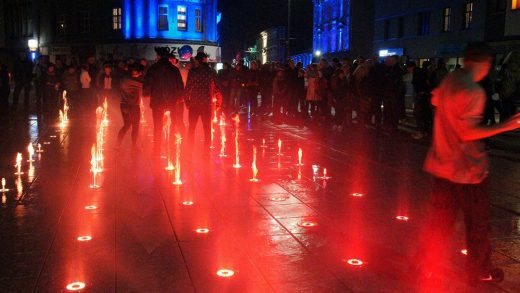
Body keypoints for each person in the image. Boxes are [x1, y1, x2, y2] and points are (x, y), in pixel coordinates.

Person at [419, 42, 520, 285]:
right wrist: (506, 125)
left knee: (439, 224)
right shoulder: (473, 91)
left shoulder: (451, 79)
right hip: (467, 171)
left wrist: (450, 116)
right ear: (483, 63)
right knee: (477, 225)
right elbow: (467, 133)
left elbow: (434, 101)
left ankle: (425, 267)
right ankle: (480, 271)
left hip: (442, 165)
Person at [143, 47, 185, 157]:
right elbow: (180, 86)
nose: (155, 58)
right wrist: (179, 98)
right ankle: (170, 147)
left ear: (159, 56)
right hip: (172, 102)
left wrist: (146, 93)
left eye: (156, 56)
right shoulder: (174, 70)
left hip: (157, 102)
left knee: (158, 126)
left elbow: (147, 84)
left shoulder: (153, 68)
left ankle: (156, 150)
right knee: (172, 125)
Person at [185, 52, 221, 149]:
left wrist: (187, 102)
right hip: (206, 103)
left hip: (194, 103)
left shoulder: (192, 72)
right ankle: (207, 149)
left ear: (198, 60)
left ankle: (189, 147)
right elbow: (217, 88)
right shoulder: (211, 72)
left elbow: (188, 88)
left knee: (192, 127)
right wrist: (218, 102)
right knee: (207, 128)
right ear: (204, 60)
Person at [117, 64, 143, 149]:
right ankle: (134, 146)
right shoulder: (134, 81)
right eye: (138, 73)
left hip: (123, 105)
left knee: (126, 125)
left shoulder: (123, 79)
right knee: (135, 126)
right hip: (133, 106)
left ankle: (117, 144)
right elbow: (144, 85)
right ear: (135, 72)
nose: (139, 75)